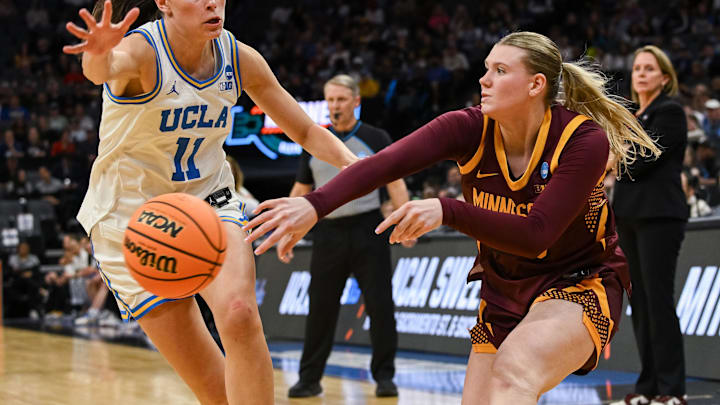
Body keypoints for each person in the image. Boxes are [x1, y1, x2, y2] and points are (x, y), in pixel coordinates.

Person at [244, 31, 660, 405]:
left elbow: (538, 234)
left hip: (578, 278)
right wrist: (314, 205)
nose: (484, 80)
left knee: (515, 371)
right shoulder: (466, 128)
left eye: (500, 70)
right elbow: (383, 164)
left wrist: (447, 209)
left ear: (536, 85)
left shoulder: (582, 140)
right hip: (502, 289)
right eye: (485, 69)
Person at [63, 1, 356, 403]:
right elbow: (105, 69)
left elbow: (305, 130)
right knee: (215, 393)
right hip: (132, 219)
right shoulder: (142, 51)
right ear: (163, 3)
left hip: (208, 201)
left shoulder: (238, 57)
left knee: (239, 312)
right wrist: (98, 54)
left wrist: (355, 164)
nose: (212, 2)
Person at [284, 74, 413, 398]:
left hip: (367, 228)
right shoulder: (314, 141)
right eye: (330, 100)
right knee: (320, 309)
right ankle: (309, 378)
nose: (334, 106)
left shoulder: (375, 136)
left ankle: (384, 376)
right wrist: (284, 230)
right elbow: (301, 190)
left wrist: (407, 220)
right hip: (328, 233)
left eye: (341, 99)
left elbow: (395, 181)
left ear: (356, 102)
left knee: (380, 305)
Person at [611, 45, 689, 405]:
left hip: (659, 216)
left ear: (664, 77)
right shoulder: (629, 116)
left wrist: (612, 158)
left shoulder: (670, 112)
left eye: (649, 68)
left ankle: (672, 389)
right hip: (627, 216)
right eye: (637, 68)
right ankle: (647, 387)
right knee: (640, 303)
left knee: (658, 301)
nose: (640, 73)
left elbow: (643, 159)